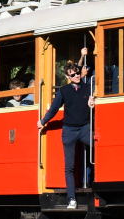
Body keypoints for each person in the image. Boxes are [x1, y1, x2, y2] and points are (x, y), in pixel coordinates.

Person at [38, 48, 94, 210]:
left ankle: (94, 182)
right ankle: (72, 199)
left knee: (98, 148)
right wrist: (43, 121)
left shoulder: (88, 87)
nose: (76, 76)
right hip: (69, 130)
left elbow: (95, 102)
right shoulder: (64, 91)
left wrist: (93, 104)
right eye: (73, 74)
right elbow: (54, 109)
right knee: (69, 166)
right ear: (67, 77)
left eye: (77, 73)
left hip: (84, 127)